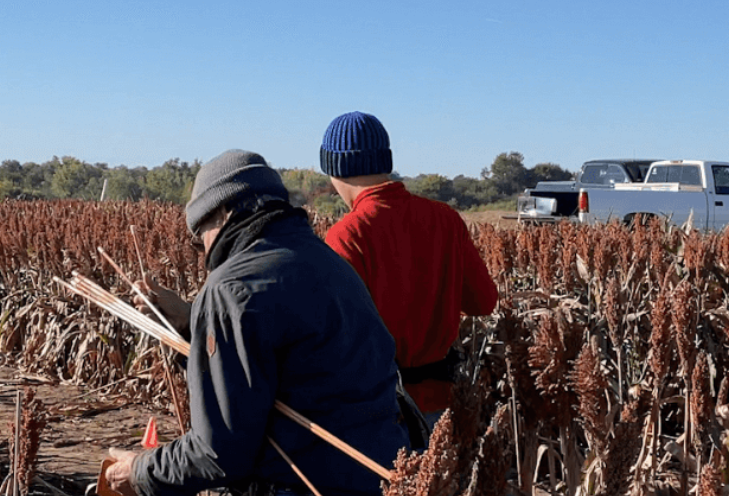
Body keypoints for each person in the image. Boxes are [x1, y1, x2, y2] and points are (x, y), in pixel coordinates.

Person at [106, 149, 410, 496]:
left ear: (222, 213)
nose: (204, 253)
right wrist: (193, 326)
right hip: (379, 479)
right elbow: (296, 369)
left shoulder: (230, 287)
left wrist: (141, 471)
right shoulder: (332, 264)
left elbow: (218, 453)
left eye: (200, 237)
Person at [318, 112, 498, 425]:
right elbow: (483, 302)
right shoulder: (445, 219)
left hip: (382, 409)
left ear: (334, 169)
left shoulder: (347, 235)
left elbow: (340, 339)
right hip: (444, 405)